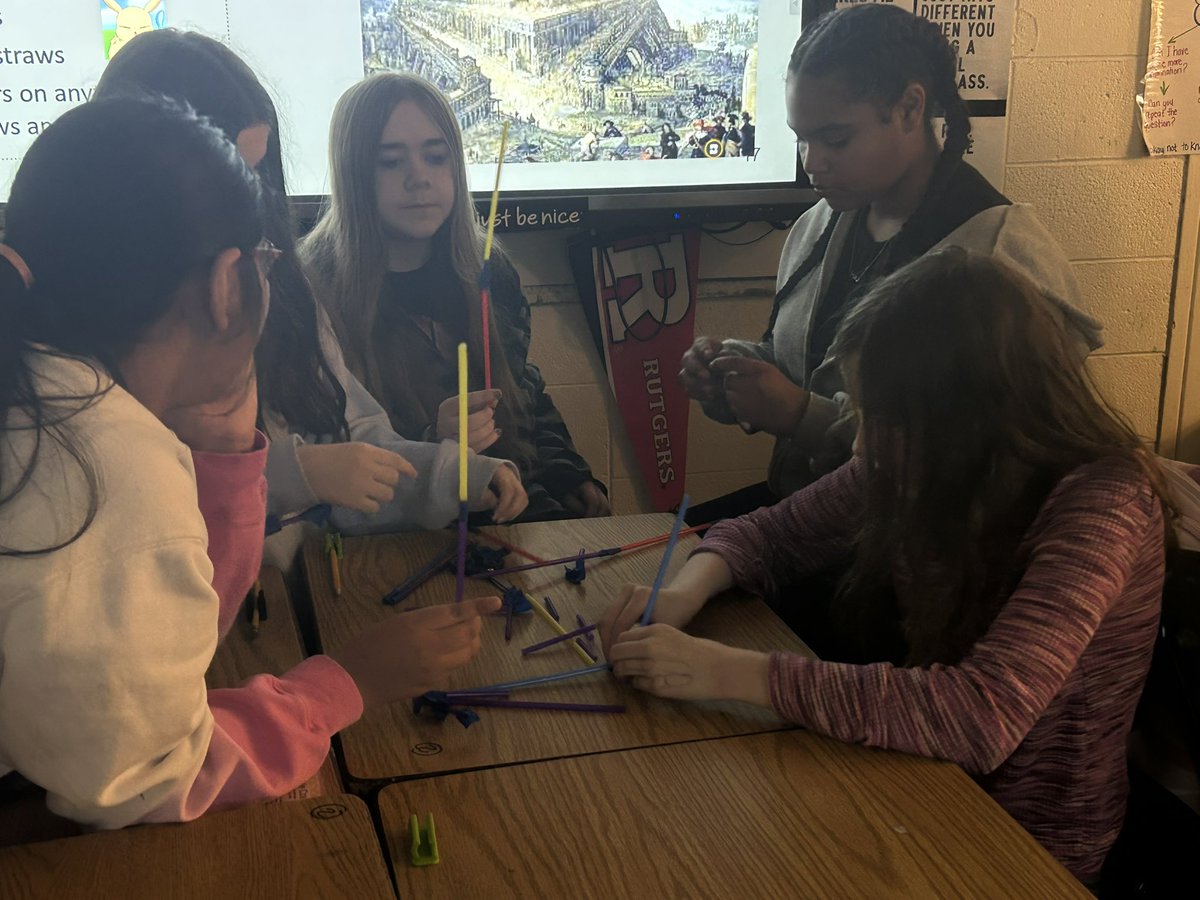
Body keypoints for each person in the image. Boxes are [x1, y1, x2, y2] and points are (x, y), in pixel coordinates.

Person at [0, 96, 498, 831]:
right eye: (267, 261)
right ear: (227, 283)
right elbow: (156, 785)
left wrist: (227, 446)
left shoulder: (49, 388)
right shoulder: (106, 465)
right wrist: (348, 681)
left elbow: (183, 645)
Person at [601, 249, 1168, 885]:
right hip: (915, 782)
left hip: (1027, 847)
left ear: (966, 413)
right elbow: (766, 533)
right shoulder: (923, 460)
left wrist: (726, 670)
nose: (861, 443)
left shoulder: (1105, 503)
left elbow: (981, 715)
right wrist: (682, 593)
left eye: (882, 418)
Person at [93, 31, 526, 570]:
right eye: (224, 175)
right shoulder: (98, 323)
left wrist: (449, 475)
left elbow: (355, 433)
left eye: (255, 173)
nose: (245, 202)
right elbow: (132, 487)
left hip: (291, 585)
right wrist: (297, 474)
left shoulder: (282, 285)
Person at [680, 4, 1101, 519]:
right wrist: (735, 372)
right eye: (801, 139)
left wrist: (802, 416)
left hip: (929, 550)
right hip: (807, 523)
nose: (812, 163)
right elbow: (805, 366)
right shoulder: (817, 226)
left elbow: (998, 458)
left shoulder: (1001, 256)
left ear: (908, 109)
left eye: (835, 139)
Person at [301, 73, 610, 521]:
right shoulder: (313, 289)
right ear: (353, 173)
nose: (419, 179)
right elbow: (332, 455)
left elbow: (522, 389)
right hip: (403, 531)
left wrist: (567, 472)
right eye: (391, 162)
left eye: (436, 157)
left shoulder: (487, 268)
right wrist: (435, 442)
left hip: (512, 510)